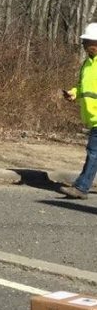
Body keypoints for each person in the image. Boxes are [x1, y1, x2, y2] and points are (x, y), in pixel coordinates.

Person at [59, 23, 97, 200]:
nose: (83, 44)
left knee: (94, 152)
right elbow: (83, 87)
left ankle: (81, 188)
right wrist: (73, 94)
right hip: (93, 117)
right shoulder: (86, 64)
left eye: (87, 41)